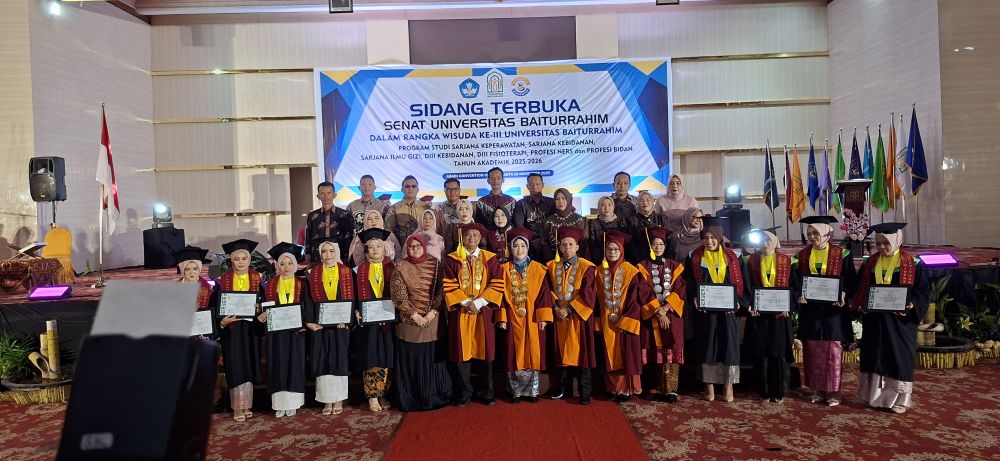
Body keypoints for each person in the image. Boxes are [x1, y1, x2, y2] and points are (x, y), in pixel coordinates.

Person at [851, 222, 929, 414]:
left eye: (886, 243)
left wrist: (912, 305)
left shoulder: (913, 264)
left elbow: (923, 291)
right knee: (874, 355)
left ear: (896, 240)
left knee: (898, 357)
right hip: (875, 320)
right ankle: (874, 397)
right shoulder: (870, 263)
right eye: (878, 243)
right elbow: (860, 287)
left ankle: (900, 400)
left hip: (899, 322)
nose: (882, 247)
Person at [795, 215, 857, 407]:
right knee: (813, 350)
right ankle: (817, 389)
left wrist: (844, 293)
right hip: (811, 310)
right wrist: (799, 294)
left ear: (827, 233)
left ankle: (834, 392)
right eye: (810, 233)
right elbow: (796, 281)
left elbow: (851, 280)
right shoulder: (802, 255)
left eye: (816, 233)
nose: (813, 237)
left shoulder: (842, 254)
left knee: (833, 351)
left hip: (833, 311)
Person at [442, 222, 505, 406]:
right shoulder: (453, 258)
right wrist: (465, 302)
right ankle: (464, 393)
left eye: (476, 235)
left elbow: (497, 283)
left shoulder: (490, 259)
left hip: (483, 312)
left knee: (485, 352)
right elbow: (449, 284)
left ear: (481, 238)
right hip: (461, 312)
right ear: (462, 238)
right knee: (462, 353)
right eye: (468, 235)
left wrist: (478, 302)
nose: (472, 238)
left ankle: (486, 392)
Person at [686, 217, 746, 402]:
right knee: (707, 346)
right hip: (706, 312)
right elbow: (689, 283)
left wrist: (738, 302)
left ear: (719, 238)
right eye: (706, 238)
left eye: (713, 238)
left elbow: (745, 283)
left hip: (728, 312)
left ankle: (728, 386)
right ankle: (708, 385)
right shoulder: (694, 257)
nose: (709, 241)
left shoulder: (734, 257)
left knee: (729, 347)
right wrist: (695, 298)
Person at [390, 234, 453, 411]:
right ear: (406, 249)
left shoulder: (435, 264)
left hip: (433, 319)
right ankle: (411, 398)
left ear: (424, 247)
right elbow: (398, 296)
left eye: (418, 246)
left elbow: (442, 290)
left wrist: (432, 312)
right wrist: (415, 315)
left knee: (432, 360)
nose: (415, 249)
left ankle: (435, 397)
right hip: (409, 323)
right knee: (412, 361)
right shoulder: (400, 267)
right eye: (411, 246)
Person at [496, 228, 553, 403]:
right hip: (513, 319)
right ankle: (516, 392)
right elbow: (500, 298)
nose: (519, 249)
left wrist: (543, 316)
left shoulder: (538, 269)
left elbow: (545, 294)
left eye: (523, 246)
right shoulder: (503, 269)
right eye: (516, 246)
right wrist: (502, 318)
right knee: (513, 353)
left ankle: (533, 392)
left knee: (533, 352)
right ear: (511, 249)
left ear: (528, 249)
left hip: (533, 319)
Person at [546, 226, 598, 405]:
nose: (567, 248)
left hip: (578, 318)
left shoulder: (587, 267)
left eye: (571, 244)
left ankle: (584, 393)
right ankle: (563, 390)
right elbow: (547, 289)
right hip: (559, 318)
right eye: (564, 245)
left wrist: (568, 309)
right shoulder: (551, 266)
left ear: (577, 247)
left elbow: (589, 293)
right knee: (561, 354)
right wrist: (555, 307)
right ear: (559, 247)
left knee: (581, 354)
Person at [259, 242, 311, 418]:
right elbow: (267, 308)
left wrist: (302, 322)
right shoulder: (271, 285)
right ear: (277, 265)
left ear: (295, 264)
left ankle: (293, 404)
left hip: (295, 332)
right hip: (277, 333)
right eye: (282, 263)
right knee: (278, 365)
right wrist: (262, 315)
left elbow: (307, 307)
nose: (286, 267)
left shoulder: (302, 284)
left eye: (290, 263)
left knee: (294, 366)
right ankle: (280, 404)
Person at [635, 227, 686, 403]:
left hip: (671, 315)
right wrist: (658, 310)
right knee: (651, 351)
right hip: (651, 317)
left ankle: (671, 390)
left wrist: (666, 309)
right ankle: (653, 388)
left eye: (661, 244)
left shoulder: (675, 266)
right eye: (655, 244)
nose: (658, 247)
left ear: (665, 246)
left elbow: (680, 289)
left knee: (671, 351)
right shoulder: (642, 267)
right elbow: (642, 290)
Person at [744, 229, 795, 403]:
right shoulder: (751, 261)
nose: (765, 244)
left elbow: (794, 287)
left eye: (768, 241)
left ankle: (779, 391)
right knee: (762, 352)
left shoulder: (787, 261)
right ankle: (764, 391)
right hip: (759, 315)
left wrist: (788, 305)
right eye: (762, 241)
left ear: (775, 242)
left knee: (778, 353)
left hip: (780, 316)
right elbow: (747, 286)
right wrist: (750, 305)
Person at [597, 230, 647, 402]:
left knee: (625, 355)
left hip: (624, 322)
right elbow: (596, 300)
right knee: (608, 354)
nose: (612, 253)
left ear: (622, 251)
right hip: (606, 322)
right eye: (609, 249)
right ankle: (612, 388)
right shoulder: (598, 271)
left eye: (616, 250)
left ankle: (625, 389)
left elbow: (635, 299)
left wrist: (625, 320)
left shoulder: (631, 271)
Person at [306, 238, 354, 415]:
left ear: (337, 253)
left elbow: (352, 299)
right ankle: (327, 401)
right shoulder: (312, 273)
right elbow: (308, 300)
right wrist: (310, 322)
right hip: (320, 326)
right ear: (320, 254)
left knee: (339, 360)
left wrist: (347, 319)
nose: (328, 255)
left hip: (340, 326)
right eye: (324, 251)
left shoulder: (347, 272)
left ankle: (339, 399)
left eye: (331, 251)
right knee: (322, 361)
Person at [218, 238, 263, 422]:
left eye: (244, 258)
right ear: (231, 260)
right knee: (235, 366)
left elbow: (263, 304)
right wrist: (222, 322)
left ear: (249, 260)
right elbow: (218, 309)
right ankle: (237, 407)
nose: (241, 262)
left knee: (248, 364)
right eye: (237, 258)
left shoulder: (257, 279)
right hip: (233, 330)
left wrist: (260, 310)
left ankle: (247, 404)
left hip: (250, 329)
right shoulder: (223, 281)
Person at [353, 228, 396, 412]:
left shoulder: (393, 268)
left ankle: (384, 393)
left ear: (384, 249)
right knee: (371, 356)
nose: (375, 250)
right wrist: (355, 310)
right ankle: (372, 396)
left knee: (387, 356)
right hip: (368, 323)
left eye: (379, 246)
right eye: (371, 247)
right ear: (366, 250)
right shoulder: (357, 271)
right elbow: (352, 296)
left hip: (388, 321)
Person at [305, 181, 354, 262]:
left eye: (329, 193)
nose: (326, 196)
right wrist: (308, 254)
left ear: (334, 195)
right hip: (318, 256)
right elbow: (308, 237)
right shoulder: (312, 215)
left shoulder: (344, 214)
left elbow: (348, 237)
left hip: (339, 255)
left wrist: (347, 257)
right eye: (322, 193)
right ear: (318, 196)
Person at [512, 173, 555, 258]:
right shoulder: (521, 203)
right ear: (527, 186)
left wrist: (542, 239)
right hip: (529, 244)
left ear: (543, 185)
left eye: (538, 184)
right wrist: (533, 240)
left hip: (548, 243)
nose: (534, 187)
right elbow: (519, 225)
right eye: (531, 184)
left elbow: (554, 224)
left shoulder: (551, 202)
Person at [540, 188, 586, 263]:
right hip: (553, 261)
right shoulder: (548, 221)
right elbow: (544, 243)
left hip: (576, 262)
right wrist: (552, 262)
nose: (560, 201)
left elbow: (583, 243)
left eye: (563, 198)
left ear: (569, 199)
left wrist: (576, 261)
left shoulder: (579, 220)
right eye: (557, 199)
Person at [627, 191, 667, 264]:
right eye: (641, 200)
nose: (645, 203)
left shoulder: (661, 218)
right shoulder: (631, 221)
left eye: (648, 200)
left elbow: (667, 240)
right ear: (637, 203)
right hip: (639, 260)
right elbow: (631, 244)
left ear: (653, 201)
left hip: (659, 258)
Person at [385, 175, 428, 242]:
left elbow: (432, 230)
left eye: (414, 186)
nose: (411, 188)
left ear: (418, 189)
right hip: (401, 249)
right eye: (407, 186)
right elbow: (389, 233)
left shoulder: (425, 207)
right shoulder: (394, 208)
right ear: (402, 190)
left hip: (423, 248)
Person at [584, 196, 626, 262]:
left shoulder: (620, 222)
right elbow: (592, 244)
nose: (606, 208)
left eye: (609, 205)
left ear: (613, 207)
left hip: (616, 258)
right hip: (598, 259)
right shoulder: (593, 223)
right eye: (603, 205)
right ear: (599, 207)